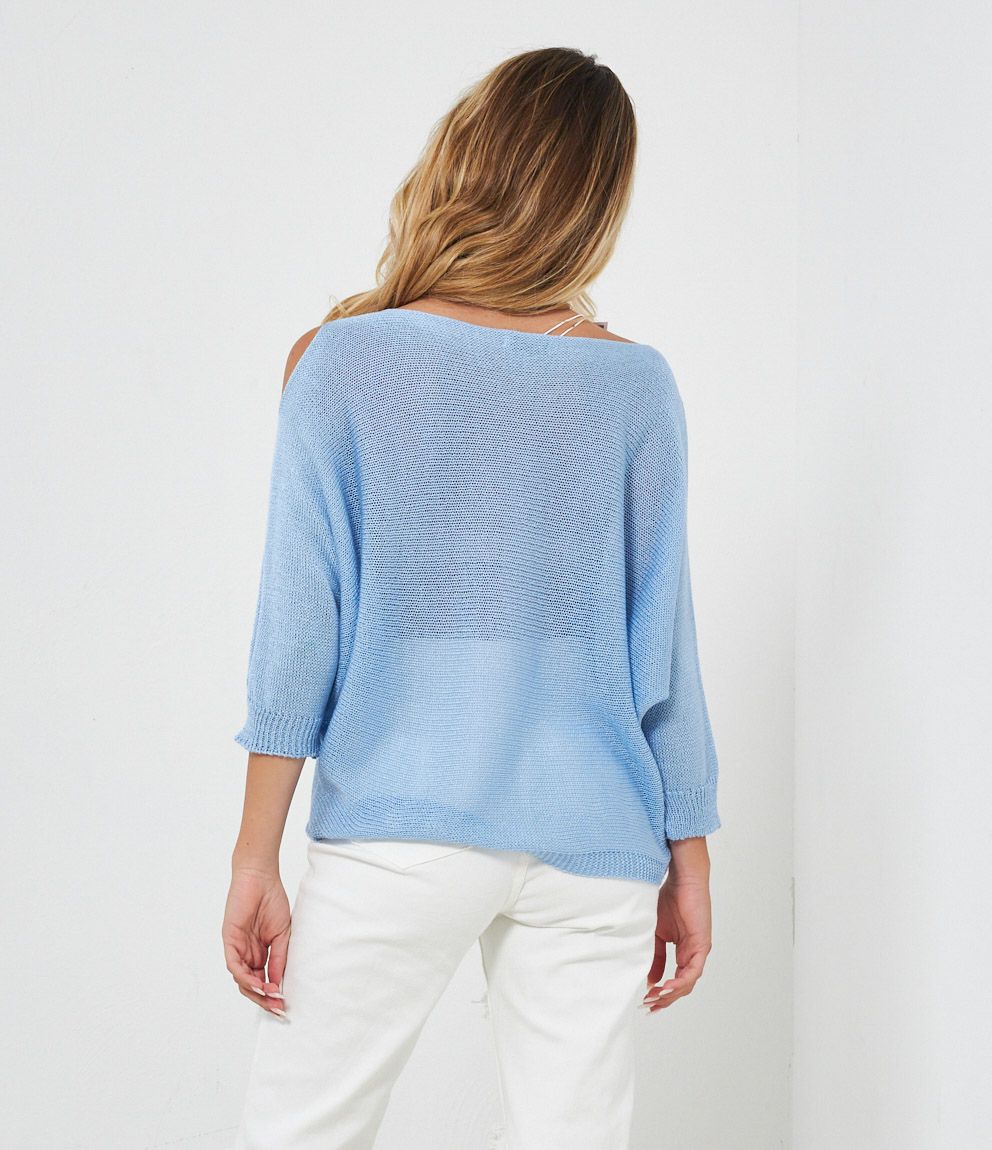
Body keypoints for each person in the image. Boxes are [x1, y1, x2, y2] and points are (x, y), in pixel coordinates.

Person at [223, 45, 722, 1150]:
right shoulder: (637, 384)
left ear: (466, 156)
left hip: (400, 825)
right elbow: (663, 645)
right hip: (597, 837)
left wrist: (255, 855)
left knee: (298, 1133)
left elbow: (301, 632)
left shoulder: (338, 361)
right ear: (596, 202)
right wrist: (689, 853)